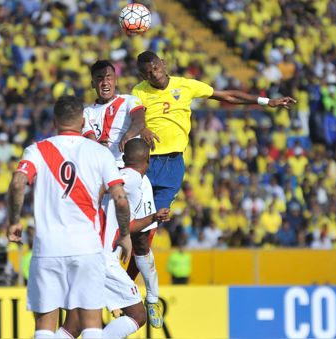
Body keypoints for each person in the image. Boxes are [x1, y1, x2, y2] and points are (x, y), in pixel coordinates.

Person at [127, 50, 297, 326]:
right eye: (147, 73)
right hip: (144, 164)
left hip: (172, 167)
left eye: (155, 68)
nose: (153, 75)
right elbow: (134, 115)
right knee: (133, 232)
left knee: (147, 236)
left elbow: (227, 96)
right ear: (141, 75)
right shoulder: (139, 91)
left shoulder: (186, 85)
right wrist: (143, 127)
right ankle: (127, 289)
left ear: (163, 64)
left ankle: (143, 296)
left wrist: (267, 101)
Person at [7, 95, 132, 339]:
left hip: (48, 248)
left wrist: (13, 220)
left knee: (45, 325)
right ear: (83, 120)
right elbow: (120, 198)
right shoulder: (99, 153)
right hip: (87, 247)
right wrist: (125, 234)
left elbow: (17, 183)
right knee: (91, 323)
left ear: (54, 121)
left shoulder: (37, 150)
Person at [60, 138, 170, 338]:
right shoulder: (133, 177)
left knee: (75, 323)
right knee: (137, 315)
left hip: (84, 254)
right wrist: (95, 195)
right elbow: (111, 184)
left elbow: (127, 226)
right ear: (147, 160)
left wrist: (153, 217)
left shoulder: (118, 181)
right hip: (103, 261)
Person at [82, 60, 145, 167]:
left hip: (129, 166)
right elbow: (90, 140)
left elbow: (140, 122)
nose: (105, 82)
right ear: (93, 84)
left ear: (116, 81)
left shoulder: (129, 100)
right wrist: (98, 147)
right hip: (102, 167)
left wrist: (127, 136)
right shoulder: (87, 112)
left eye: (109, 77)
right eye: (99, 78)